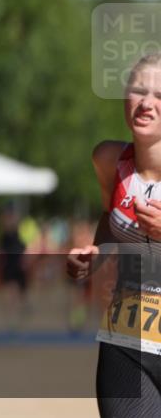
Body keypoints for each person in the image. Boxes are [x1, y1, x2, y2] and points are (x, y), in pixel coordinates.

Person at [67, 52, 161, 416]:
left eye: (159, 95)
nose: (146, 104)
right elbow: (109, 217)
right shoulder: (109, 160)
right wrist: (93, 254)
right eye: (138, 91)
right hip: (127, 345)